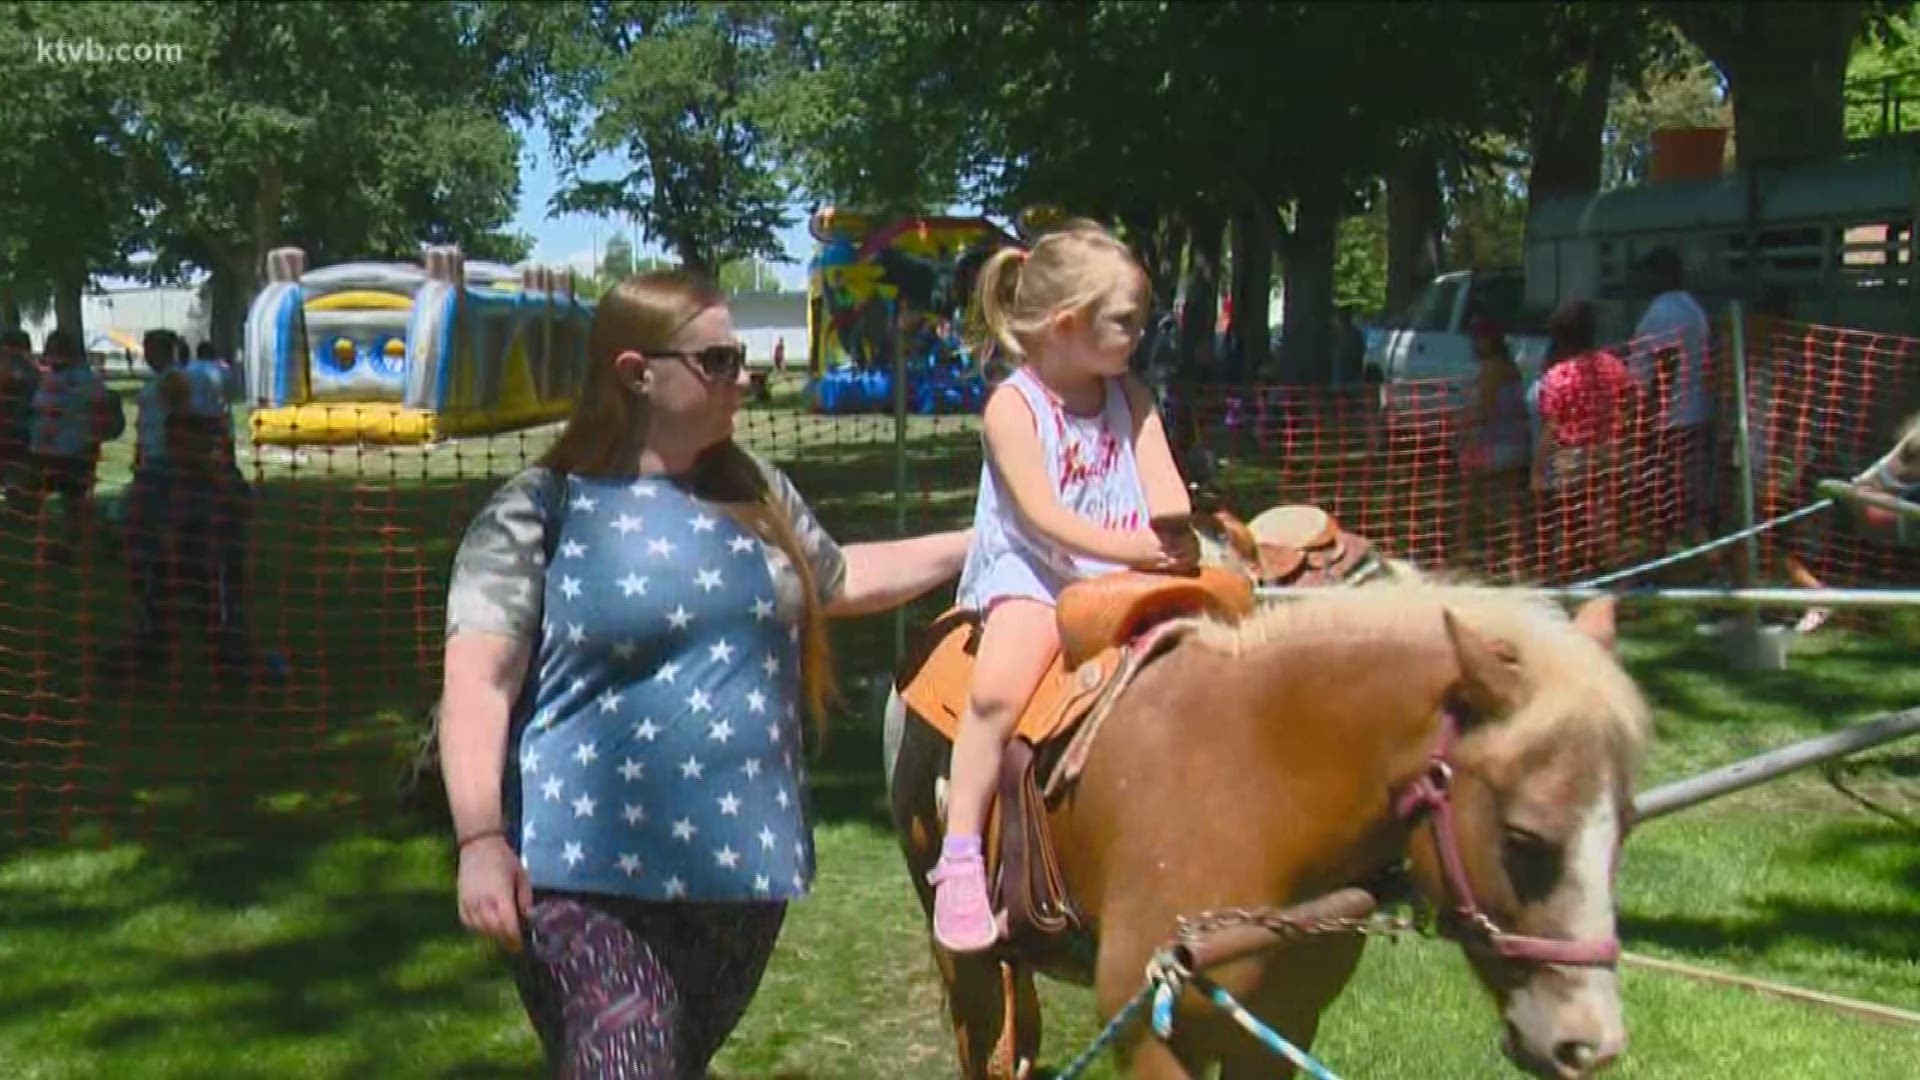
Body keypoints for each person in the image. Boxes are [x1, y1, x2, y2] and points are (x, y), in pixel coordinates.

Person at [440, 269, 971, 1077]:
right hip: (580, 871)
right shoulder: (537, 511)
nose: (744, 376)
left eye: (741, 358)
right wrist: (480, 839)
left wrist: (985, 542)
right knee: (629, 1057)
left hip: (743, 874)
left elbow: (841, 580)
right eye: (718, 359)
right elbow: (479, 683)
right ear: (635, 373)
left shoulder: (757, 491)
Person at [930, 222, 1198, 954]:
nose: (1138, 336)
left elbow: (1160, 473)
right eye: (1125, 322)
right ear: (1066, 324)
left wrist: (1176, 532)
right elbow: (1044, 518)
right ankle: (958, 854)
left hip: (1128, 567)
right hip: (1038, 571)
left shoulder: (1128, 390)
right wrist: (1139, 547)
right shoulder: (1012, 409)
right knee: (999, 690)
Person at [1530, 301, 1637, 581]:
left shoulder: (1558, 376)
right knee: (1606, 517)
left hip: (1573, 454)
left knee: (1570, 521)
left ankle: (1571, 579)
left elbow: (1551, 426)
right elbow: (1631, 404)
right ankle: (1614, 575)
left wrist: (1538, 469)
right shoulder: (1613, 366)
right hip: (1611, 450)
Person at [1628, 246, 1715, 548]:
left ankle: (1669, 564)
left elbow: (1665, 369)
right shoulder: (1693, 308)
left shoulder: (1664, 311)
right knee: (1689, 498)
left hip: (1670, 424)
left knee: (1663, 501)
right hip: (1695, 414)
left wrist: (1645, 424)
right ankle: (1697, 563)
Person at [25, 329, 117, 562]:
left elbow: (99, 409)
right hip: (47, 450)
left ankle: (90, 541)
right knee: (64, 502)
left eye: (54, 348)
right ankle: (74, 543)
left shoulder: (84, 378)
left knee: (74, 501)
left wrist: (91, 442)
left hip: (73, 450)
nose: (49, 353)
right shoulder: (50, 377)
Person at [1457, 318, 1531, 577]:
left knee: (1467, 503)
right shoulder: (1512, 368)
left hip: (1493, 447)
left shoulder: (1491, 368)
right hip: (1516, 444)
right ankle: (1514, 562)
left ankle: (1460, 560)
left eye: (1477, 338)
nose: (1473, 344)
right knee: (1509, 506)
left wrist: (1462, 433)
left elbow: (1483, 411)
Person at [0, 328, 37, 512]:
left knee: (15, 469)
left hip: (16, 428)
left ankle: (18, 507)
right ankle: (18, 506)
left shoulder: (26, 369)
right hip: (18, 428)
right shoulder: (32, 369)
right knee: (15, 469)